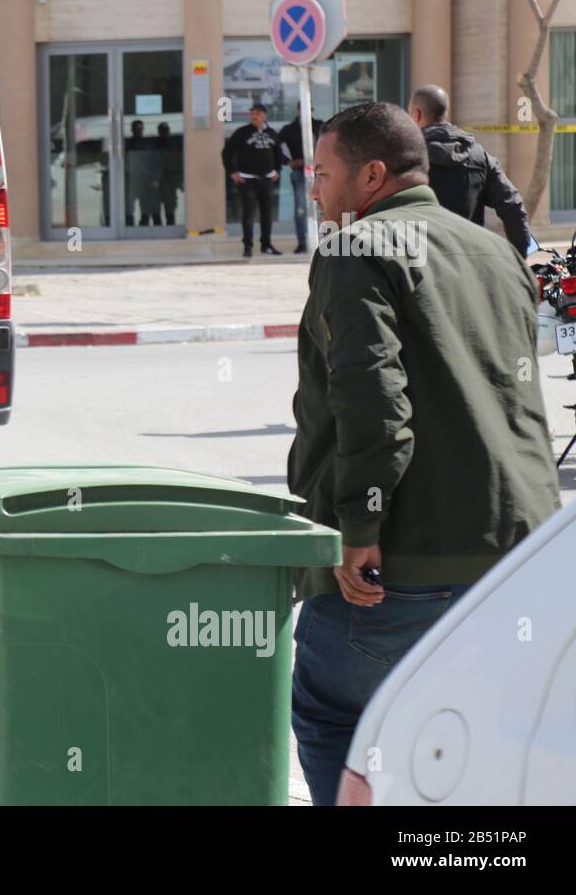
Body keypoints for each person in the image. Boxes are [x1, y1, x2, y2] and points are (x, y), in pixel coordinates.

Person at [288, 102, 560, 805]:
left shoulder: (354, 249)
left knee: (333, 723)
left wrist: (359, 532)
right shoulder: (495, 251)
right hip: (514, 568)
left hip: (395, 577)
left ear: (371, 175)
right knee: (471, 771)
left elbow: (374, 403)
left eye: (322, 173)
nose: (312, 189)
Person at [408, 84, 531, 256]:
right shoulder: (480, 156)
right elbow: (514, 208)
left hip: (420, 269)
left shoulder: (405, 157)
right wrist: (519, 261)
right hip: (470, 267)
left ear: (417, 114)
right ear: (446, 113)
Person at [222, 103, 283, 257]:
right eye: (252, 113)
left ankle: (266, 245)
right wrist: (232, 172)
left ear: (265, 116)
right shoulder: (242, 133)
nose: (254, 116)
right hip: (247, 180)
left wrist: (277, 170)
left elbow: (278, 153)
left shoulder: (271, 133)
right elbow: (227, 152)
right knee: (248, 214)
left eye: (257, 113)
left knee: (267, 214)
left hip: (267, 180)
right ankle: (248, 246)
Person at [277, 112, 323, 253]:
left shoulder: (320, 125)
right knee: (301, 209)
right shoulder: (289, 129)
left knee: (324, 207)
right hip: (300, 172)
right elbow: (274, 146)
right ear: (298, 110)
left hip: (321, 172)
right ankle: (302, 243)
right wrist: (288, 161)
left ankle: (324, 240)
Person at [124, 120, 163, 226]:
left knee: (155, 209)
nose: (138, 130)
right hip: (135, 181)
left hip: (150, 180)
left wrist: (156, 179)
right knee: (142, 210)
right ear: (132, 130)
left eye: (140, 128)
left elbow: (157, 162)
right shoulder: (128, 145)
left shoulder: (148, 143)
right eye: (136, 128)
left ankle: (158, 231)